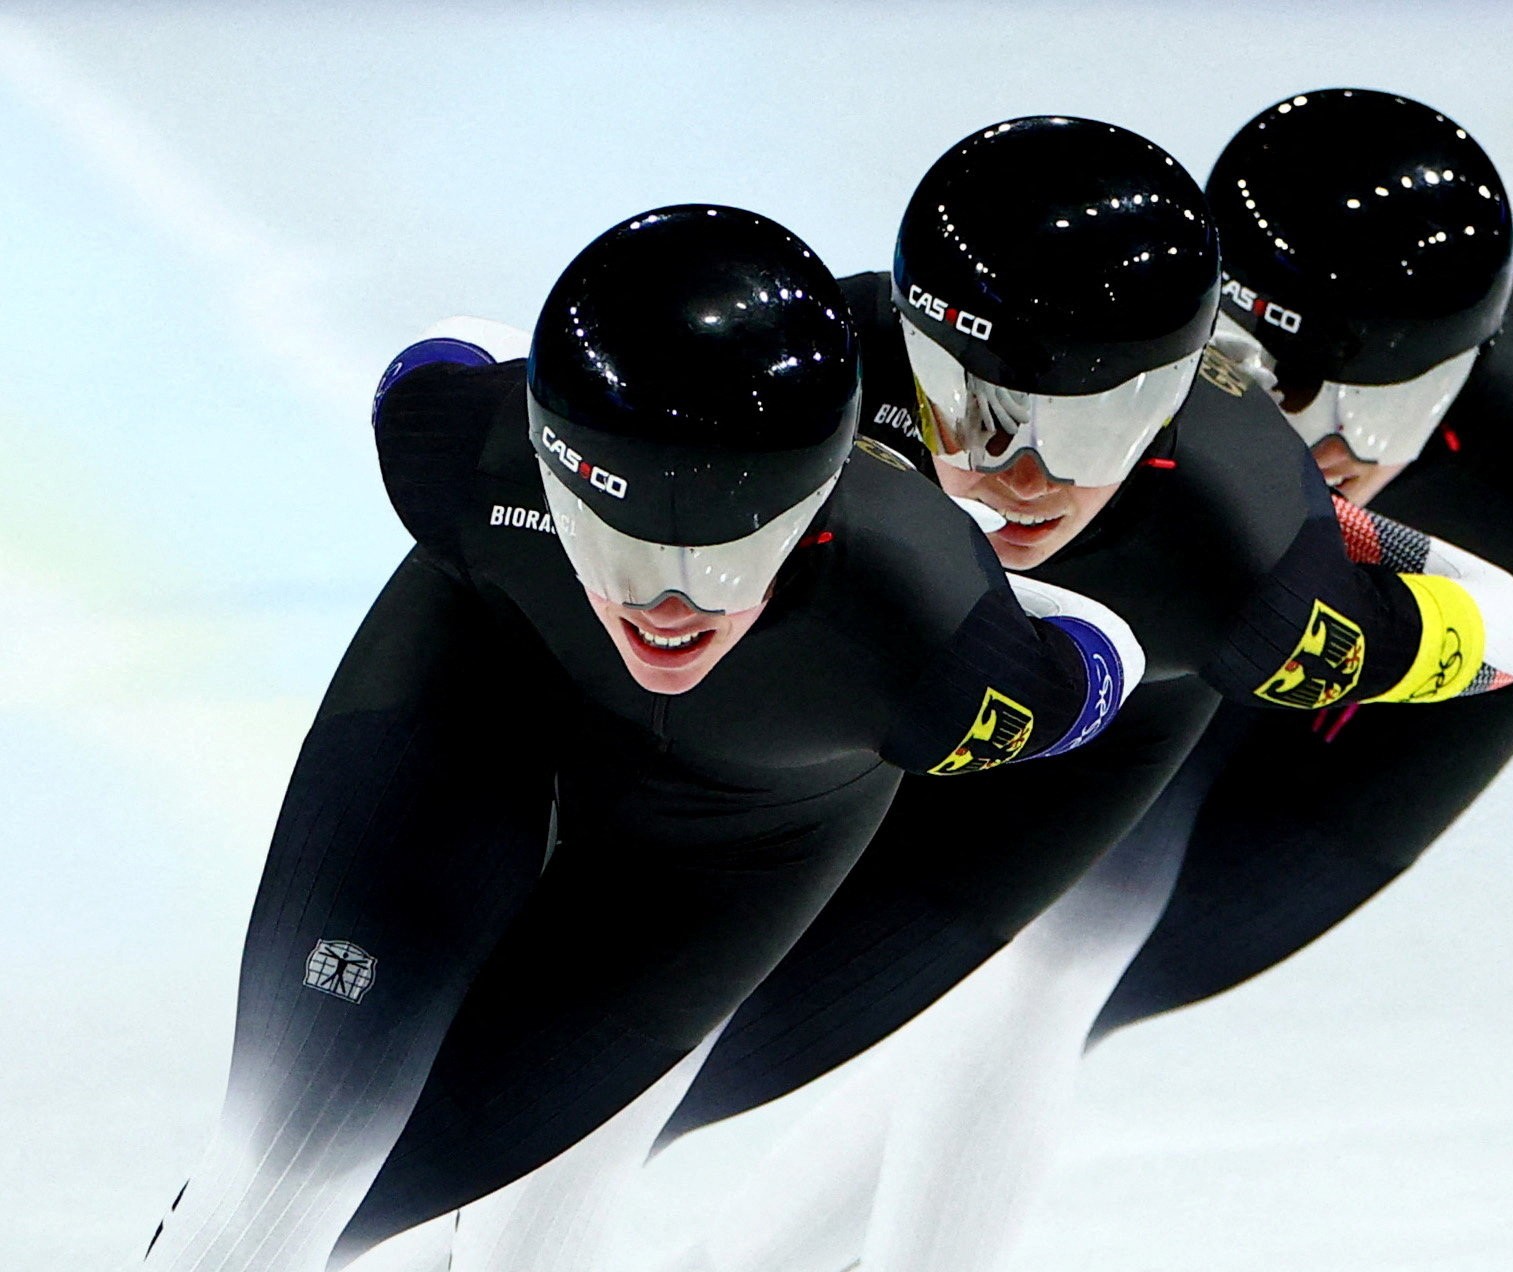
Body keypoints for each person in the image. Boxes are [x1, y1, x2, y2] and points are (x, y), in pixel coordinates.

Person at [650, 90, 1513, 1272]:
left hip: (1406, 687)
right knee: (1008, 970)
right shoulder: (1135, 395)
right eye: (1256, 383)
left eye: (1361, 419)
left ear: (1457, 386)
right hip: (1208, 610)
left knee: (1055, 969)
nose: (1300, 446)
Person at [323, 116, 1513, 1271]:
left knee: (714, 1071)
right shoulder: (796, 379)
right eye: (966, 404)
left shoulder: (1242, 565)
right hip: (805, 738)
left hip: (1024, 779)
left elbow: (1508, 633)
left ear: (1168, 413)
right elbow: (494, 389)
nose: (1014, 473)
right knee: (568, 1112)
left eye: (1082, 436)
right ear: (906, 340)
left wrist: (1370, 552)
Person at [133, 203, 1148, 1272]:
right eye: (618, 547)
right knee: (286, 1175)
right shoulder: (461, 456)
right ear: (552, 475)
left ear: (817, 514)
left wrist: (994, 587)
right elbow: (451, 364)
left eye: (726, 559)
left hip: (720, 853)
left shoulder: (922, 621)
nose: (668, 607)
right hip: (476, 706)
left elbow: (1100, 651)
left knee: (489, 1216)